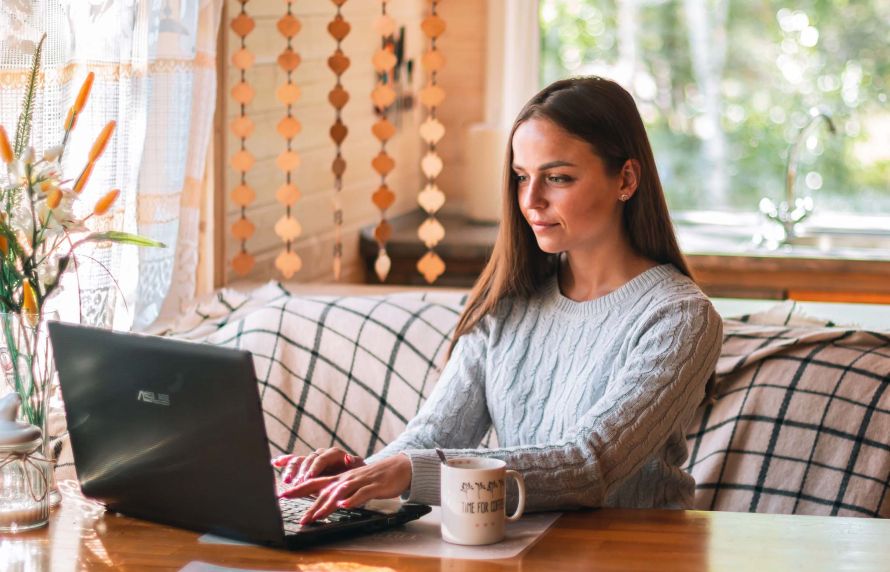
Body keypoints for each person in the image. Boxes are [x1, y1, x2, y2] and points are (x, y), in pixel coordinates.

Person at [275, 76, 723, 525]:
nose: (531, 200)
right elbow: (435, 435)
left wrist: (410, 471)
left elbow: (591, 465)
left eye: (558, 178)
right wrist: (363, 473)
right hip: (521, 550)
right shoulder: (508, 301)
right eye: (522, 177)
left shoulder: (681, 316)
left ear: (625, 178)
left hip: (638, 554)